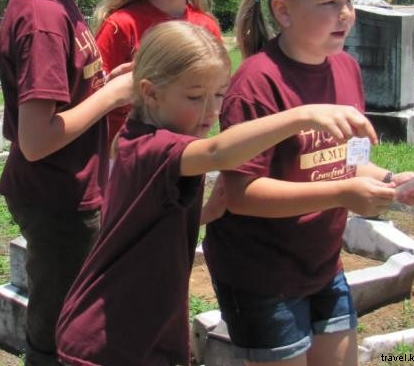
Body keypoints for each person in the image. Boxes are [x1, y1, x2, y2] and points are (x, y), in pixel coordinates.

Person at [56, 20, 381, 366]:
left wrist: (207, 212)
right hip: (109, 335)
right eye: (195, 97)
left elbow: (149, 218)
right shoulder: (150, 147)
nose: (212, 111)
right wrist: (301, 116)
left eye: (219, 95)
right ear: (150, 93)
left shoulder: (153, 144)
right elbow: (218, 152)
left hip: (142, 327)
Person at [203, 0, 414, 366]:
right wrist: (342, 195)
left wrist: (388, 181)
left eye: (350, 0)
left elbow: (348, 160)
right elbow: (240, 195)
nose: (346, 14)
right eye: (329, 2)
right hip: (260, 274)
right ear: (283, 11)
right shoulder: (257, 83)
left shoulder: (346, 68)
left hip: (322, 262)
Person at [0, 0, 133, 366]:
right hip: (58, 198)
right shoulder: (42, 16)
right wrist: (115, 92)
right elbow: (36, 138)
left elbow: (67, 93)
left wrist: (105, 78)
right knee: (60, 337)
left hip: (68, 190)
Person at [93, 0, 222, 146]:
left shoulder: (207, 25)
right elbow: (92, 101)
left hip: (188, 155)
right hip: (128, 160)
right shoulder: (122, 24)